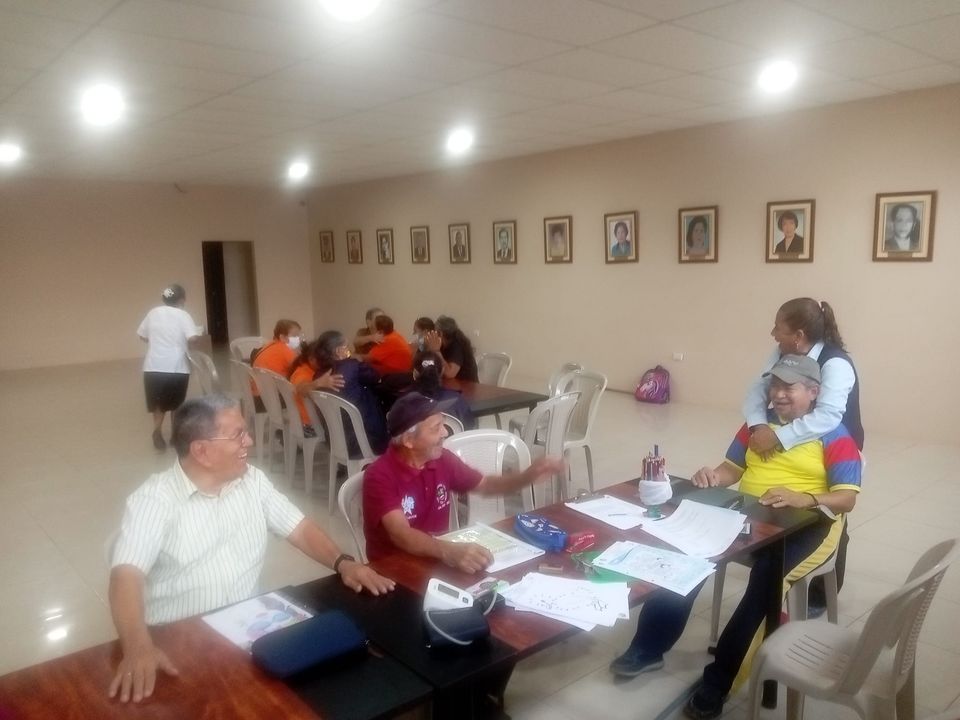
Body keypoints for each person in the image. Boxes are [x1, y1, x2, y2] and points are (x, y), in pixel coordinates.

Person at [610, 356, 861, 719]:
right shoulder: (757, 427)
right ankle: (648, 648)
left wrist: (804, 498)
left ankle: (720, 680)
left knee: (767, 581)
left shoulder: (835, 435)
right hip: (750, 517)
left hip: (811, 526)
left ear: (813, 392)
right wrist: (713, 476)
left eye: (788, 387)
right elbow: (732, 468)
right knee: (688, 551)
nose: (778, 394)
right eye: (774, 385)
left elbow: (847, 499)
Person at [107, 395, 394, 704]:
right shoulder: (155, 500)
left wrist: (344, 563)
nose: (250, 441)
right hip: (179, 639)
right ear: (201, 451)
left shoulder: (252, 481)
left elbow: (299, 528)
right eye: (238, 435)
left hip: (247, 630)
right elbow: (126, 575)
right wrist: (137, 647)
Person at [744, 297, 863, 612]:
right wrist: (759, 427)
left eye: (778, 328)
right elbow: (758, 390)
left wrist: (777, 437)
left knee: (833, 515)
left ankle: (821, 595)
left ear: (798, 336)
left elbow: (828, 417)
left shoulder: (836, 363)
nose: (773, 334)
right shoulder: (782, 352)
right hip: (791, 436)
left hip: (836, 442)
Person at [362, 392, 565, 567]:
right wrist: (448, 551)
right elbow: (401, 534)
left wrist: (527, 476)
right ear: (408, 440)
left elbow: (486, 485)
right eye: (435, 428)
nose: (445, 433)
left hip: (435, 561)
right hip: (393, 571)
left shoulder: (442, 459)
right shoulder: (379, 475)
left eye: (443, 424)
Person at [137, 284, 201, 451]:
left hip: (153, 366)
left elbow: (142, 335)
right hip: (176, 366)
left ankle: (157, 430)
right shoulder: (183, 315)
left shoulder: (153, 313)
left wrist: (157, 342)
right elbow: (192, 338)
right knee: (176, 403)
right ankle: (175, 435)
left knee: (157, 403)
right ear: (181, 300)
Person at [314, 330, 389, 454]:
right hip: (363, 441)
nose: (349, 349)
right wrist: (359, 361)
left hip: (334, 440)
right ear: (338, 351)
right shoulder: (354, 366)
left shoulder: (318, 374)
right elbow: (375, 377)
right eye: (347, 346)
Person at [288, 341, 346, 434]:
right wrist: (318, 383)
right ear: (311, 359)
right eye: (321, 359)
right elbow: (300, 389)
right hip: (309, 425)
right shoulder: (302, 373)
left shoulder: (305, 368)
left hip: (303, 420)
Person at [410, 350, 476, 430]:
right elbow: (469, 428)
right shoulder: (457, 400)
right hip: (454, 438)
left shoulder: (404, 402)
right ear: (442, 371)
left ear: (415, 373)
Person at [424, 315, 479, 382]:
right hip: (452, 383)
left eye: (435, 332)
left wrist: (436, 351)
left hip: (467, 385)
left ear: (440, 333)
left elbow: (450, 373)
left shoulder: (457, 345)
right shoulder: (443, 345)